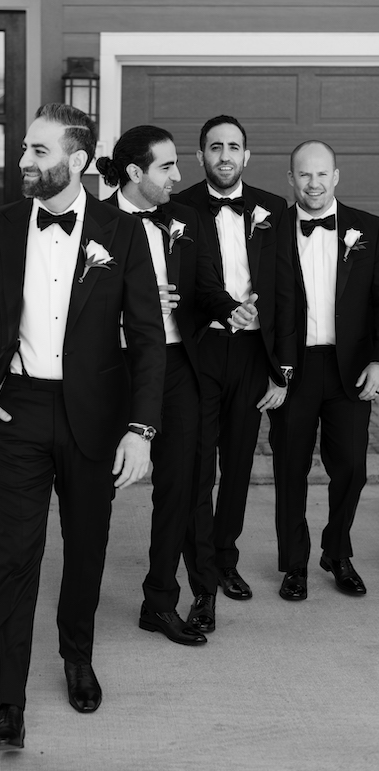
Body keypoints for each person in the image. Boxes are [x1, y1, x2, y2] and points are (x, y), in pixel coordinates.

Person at [0, 103, 165, 752]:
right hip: (16, 415)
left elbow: (150, 341)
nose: (23, 161)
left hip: (95, 418)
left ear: (75, 160)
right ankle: (8, 703)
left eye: (38, 152)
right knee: (15, 559)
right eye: (23, 149)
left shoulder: (120, 234)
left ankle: (77, 653)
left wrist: (141, 429)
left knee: (87, 547)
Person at [97, 125, 258, 641]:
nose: (179, 175)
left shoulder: (185, 219)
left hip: (176, 367)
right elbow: (70, 305)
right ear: (135, 173)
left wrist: (234, 311)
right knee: (94, 488)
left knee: (182, 487)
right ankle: (81, 594)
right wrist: (129, 311)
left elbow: (205, 286)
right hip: (109, 369)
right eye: (167, 166)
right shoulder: (92, 222)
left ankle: (160, 600)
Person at [173, 115, 296, 605]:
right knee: (197, 465)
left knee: (240, 462)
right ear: (199, 155)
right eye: (215, 147)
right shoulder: (177, 208)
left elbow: (288, 289)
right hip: (199, 350)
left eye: (234, 147)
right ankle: (199, 570)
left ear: (247, 156)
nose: (225, 155)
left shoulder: (272, 208)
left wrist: (282, 367)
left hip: (251, 354)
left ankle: (225, 558)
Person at [269, 140, 379, 601]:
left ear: (336, 177)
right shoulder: (269, 231)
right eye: (304, 175)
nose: (313, 183)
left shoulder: (368, 229)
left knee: (352, 467)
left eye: (321, 174)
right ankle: (294, 563)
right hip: (293, 369)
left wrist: (378, 359)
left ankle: (336, 551)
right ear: (291, 180)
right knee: (290, 469)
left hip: (348, 368)